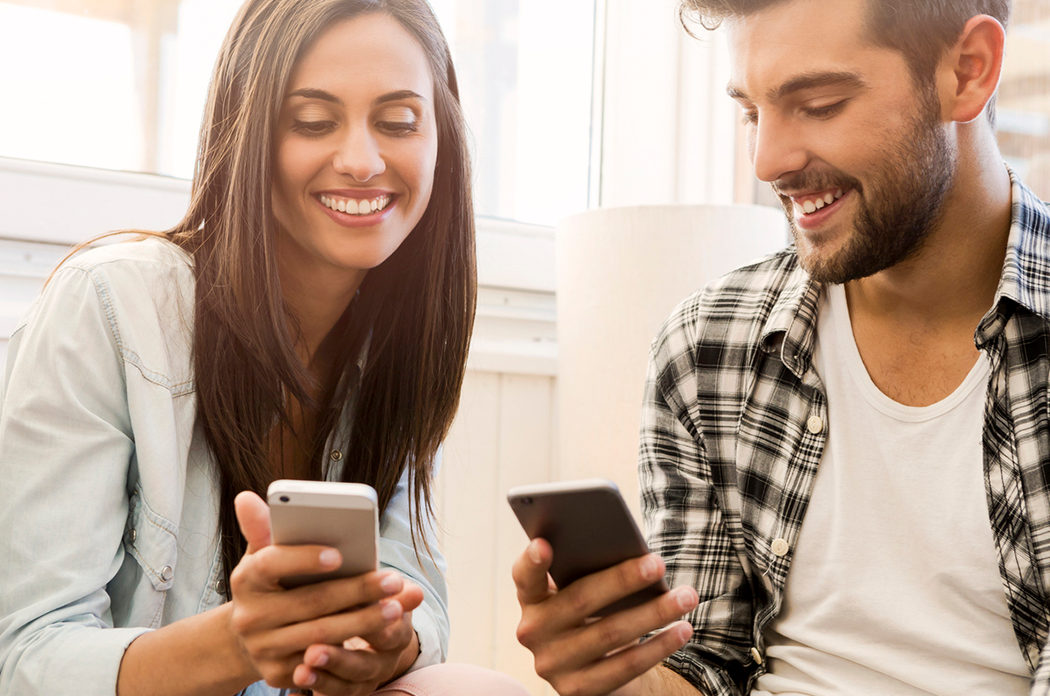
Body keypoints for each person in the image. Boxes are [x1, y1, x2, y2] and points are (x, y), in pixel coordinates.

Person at [512, 0, 1050, 694]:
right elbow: (702, 665)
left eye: (819, 104)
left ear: (968, 71)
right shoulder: (707, 350)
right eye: (749, 111)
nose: (769, 159)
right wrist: (618, 674)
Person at [0, 1, 528, 695]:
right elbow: (27, 659)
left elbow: (418, 600)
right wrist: (239, 640)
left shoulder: (396, 341)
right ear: (247, 130)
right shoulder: (110, 303)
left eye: (398, 122)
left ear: (442, 140)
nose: (362, 161)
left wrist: (384, 645)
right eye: (312, 120)